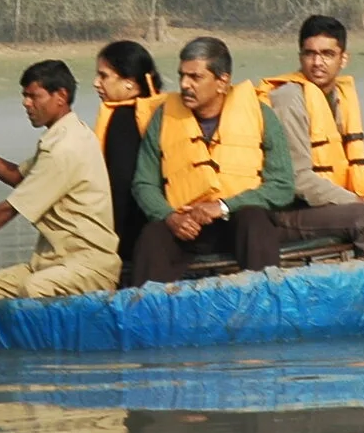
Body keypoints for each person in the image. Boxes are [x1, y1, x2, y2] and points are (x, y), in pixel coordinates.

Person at [0, 60, 119, 301]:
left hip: (88, 268)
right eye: (24, 96)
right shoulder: (57, 138)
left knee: (34, 289)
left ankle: (46, 339)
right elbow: (17, 177)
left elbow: (9, 210)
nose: (26, 103)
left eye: (33, 96)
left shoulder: (67, 147)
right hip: (50, 264)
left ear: (60, 96)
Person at [127, 36, 296, 286]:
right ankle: (146, 314)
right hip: (185, 224)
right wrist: (169, 217)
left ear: (222, 81)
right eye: (182, 75)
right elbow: (144, 183)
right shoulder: (163, 118)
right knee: (152, 236)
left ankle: (264, 301)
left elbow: (282, 186)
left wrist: (223, 206)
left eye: (195, 77)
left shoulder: (261, 116)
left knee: (254, 220)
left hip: (237, 220)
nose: (184, 84)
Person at [261, 14, 364, 256]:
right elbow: (297, 179)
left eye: (327, 54)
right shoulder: (288, 99)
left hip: (333, 204)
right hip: (290, 211)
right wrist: (360, 201)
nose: (317, 62)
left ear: (343, 59)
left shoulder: (339, 97)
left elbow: (352, 162)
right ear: (301, 57)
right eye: (310, 54)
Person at [89, 39, 166, 265]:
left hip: (134, 234)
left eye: (104, 76)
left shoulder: (121, 120)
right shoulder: (162, 111)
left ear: (130, 83)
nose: (96, 83)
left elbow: (121, 184)